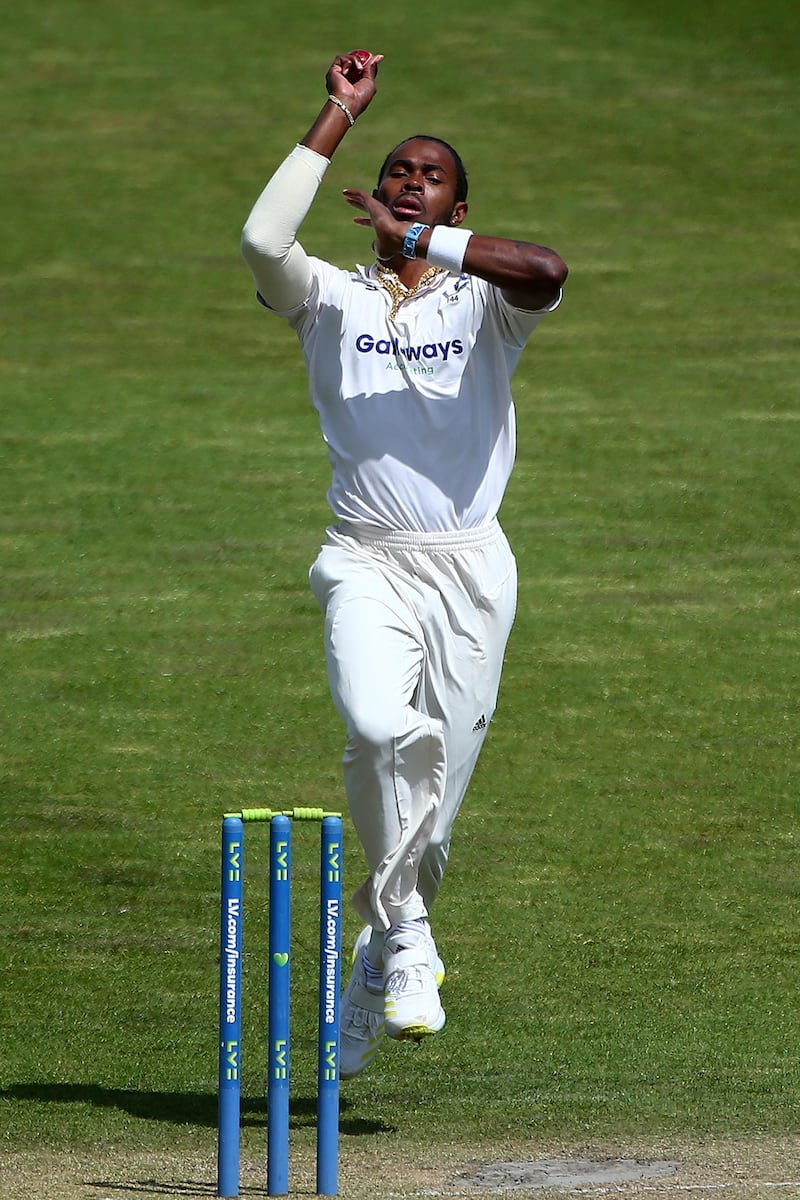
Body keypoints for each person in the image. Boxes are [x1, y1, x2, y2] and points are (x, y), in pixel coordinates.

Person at [240, 50, 567, 1078]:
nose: (406, 179)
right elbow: (260, 237)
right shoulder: (325, 299)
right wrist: (336, 114)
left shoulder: (484, 304)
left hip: (471, 571)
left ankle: (375, 958)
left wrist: (429, 243)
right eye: (394, 171)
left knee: (428, 817)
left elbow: (548, 271)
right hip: (365, 561)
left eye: (426, 175)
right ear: (369, 193)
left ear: (455, 204)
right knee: (384, 730)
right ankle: (410, 943)